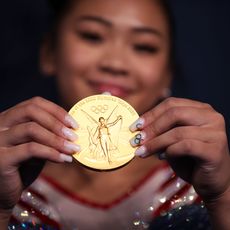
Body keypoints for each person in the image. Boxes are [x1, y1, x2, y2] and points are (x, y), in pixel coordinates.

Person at [0, 0, 230, 229]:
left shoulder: (203, 186)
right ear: (49, 51)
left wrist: (222, 199)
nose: (116, 63)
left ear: (167, 75)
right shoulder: (9, 182)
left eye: (144, 47)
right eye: (92, 36)